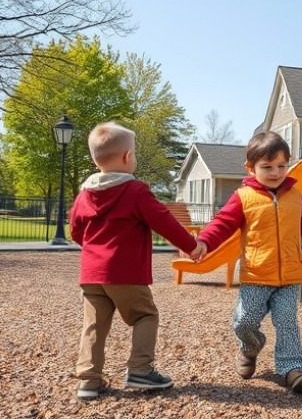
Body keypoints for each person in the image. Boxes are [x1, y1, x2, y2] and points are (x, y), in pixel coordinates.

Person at [197, 131, 302, 393]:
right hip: (257, 275)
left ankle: (292, 368)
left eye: (282, 165)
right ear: (251, 167)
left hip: (290, 275)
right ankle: (250, 347)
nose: (276, 172)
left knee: (287, 322)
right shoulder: (243, 197)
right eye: (267, 167)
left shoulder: (294, 195)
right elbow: (222, 224)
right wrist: (202, 241)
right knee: (244, 322)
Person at [70, 121, 206, 400]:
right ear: (127, 157)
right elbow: (163, 221)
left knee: (94, 325)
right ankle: (141, 369)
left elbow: (75, 230)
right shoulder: (135, 191)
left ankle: (88, 381)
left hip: (91, 274)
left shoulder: (85, 194)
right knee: (144, 315)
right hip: (125, 272)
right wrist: (191, 246)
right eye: (134, 152)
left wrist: (95, 253)